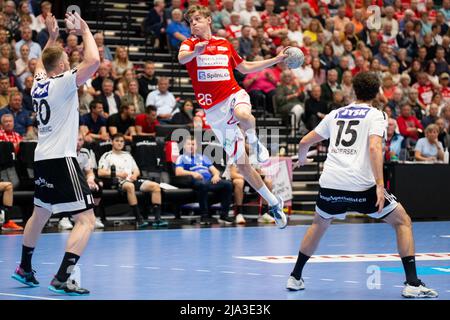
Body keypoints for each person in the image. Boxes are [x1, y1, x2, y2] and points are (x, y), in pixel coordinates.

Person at [287, 72, 438, 298]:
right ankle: (413, 284)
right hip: (361, 186)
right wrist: (379, 184)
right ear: (377, 92)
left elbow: (304, 141)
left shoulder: (335, 114)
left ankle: (295, 277)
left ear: (354, 91)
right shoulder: (376, 115)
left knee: (319, 224)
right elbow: (375, 147)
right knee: (403, 221)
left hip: (331, 184)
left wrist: (300, 159)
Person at [11, 13, 100, 295]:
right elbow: (94, 62)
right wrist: (85, 31)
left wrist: (50, 39)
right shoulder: (63, 79)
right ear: (61, 65)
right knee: (86, 220)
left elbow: (39, 65)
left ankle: (24, 268)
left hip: (42, 158)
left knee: (40, 213)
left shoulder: (38, 84)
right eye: (65, 60)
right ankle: (62, 276)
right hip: (62, 158)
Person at [178, 5, 287, 228]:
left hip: (233, 94)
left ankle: (255, 143)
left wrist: (275, 59)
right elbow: (181, 59)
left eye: (198, 19)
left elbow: (245, 68)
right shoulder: (189, 44)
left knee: (242, 113)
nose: (194, 24)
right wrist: (195, 52)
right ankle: (274, 203)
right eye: (191, 22)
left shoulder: (224, 44)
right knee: (244, 166)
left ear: (209, 20)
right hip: (214, 112)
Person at [98, 133, 167, 228]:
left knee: (155, 186)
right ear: (112, 142)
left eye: (121, 141)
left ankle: (157, 219)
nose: (119, 143)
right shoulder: (107, 156)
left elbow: (136, 170)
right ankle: (139, 219)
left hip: (132, 180)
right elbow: (100, 172)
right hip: (118, 182)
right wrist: (118, 174)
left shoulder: (128, 155)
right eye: (117, 141)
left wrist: (134, 175)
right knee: (130, 186)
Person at [175, 137, 234, 225]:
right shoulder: (182, 157)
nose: (191, 146)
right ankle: (204, 215)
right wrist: (192, 173)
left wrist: (216, 175)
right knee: (203, 185)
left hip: (209, 180)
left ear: (196, 146)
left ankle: (224, 215)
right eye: (189, 144)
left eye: (193, 144)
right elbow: (178, 172)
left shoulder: (203, 157)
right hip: (195, 180)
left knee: (228, 184)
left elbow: (214, 170)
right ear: (184, 146)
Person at [59, 132, 105, 230]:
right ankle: (64, 218)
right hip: (64, 179)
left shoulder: (85, 152)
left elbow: (89, 171)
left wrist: (90, 179)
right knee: (67, 187)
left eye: (80, 140)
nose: (78, 143)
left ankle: (93, 217)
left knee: (97, 187)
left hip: (80, 180)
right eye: (75, 140)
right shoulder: (64, 152)